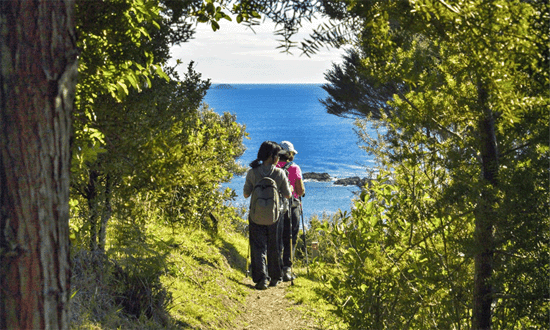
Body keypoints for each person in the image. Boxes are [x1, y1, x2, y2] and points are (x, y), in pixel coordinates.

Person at [243, 141, 292, 290]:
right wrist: (289, 186)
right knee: (274, 246)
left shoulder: (252, 172)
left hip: (256, 214)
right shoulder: (279, 173)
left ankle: (261, 278)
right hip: (275, 215)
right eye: (277, 155)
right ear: (272, 156)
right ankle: (275, 277)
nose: (279, 158)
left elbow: (246, 194)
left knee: (258, 246)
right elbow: (288, 195)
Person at [276, 141, 305, 282]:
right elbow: (300, 190)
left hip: (275, 206)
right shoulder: (294, 168)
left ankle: (274, 266)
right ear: (288, 154)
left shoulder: (272, 167)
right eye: (292, 153)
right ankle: (287, 268)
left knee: (277, 236)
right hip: (292, 206)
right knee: (291, 237)